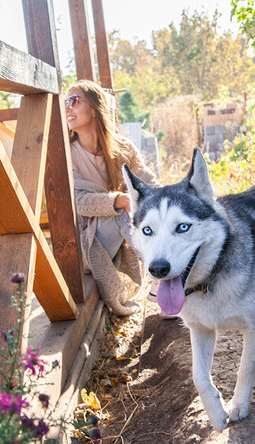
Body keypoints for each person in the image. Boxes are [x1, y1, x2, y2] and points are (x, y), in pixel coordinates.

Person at [65, 80, 158, 315]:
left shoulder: (121, 148)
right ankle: (161, 277)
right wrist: (120, 200)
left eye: (74, 100)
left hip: (115, 237)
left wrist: (172, 200)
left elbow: (147, 181)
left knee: (145, 205)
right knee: (123, 210)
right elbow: (79, 202)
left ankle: (168, 274)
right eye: (64, 103)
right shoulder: (66, 153)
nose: (68, 107)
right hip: (86, 243)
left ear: (94, 108)